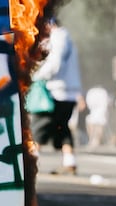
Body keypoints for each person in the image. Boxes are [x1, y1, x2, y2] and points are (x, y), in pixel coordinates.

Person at [31, 19, 82, 174]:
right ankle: (69, 162)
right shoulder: (67, 38)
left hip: (56, 92)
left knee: (39, 126)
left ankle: (30, 164)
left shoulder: (58, 36)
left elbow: (55, 63)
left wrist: (37, 76)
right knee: (62, 129)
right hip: (68, 92)